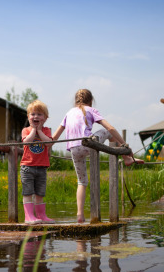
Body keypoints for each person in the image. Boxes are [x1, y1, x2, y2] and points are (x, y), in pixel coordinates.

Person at [52, 89, 144, 223]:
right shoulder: (91, 110)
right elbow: (110, 128)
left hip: (73, 149)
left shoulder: (68, 113)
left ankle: (80, 215)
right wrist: (126, 146)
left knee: (81, 182)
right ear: (90, 100)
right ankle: (126, 158)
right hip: (87, 145)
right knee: (106, 132)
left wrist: (44, 146)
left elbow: (54, 137)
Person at [21, 100, 55, 224]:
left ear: (45, 118)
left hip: (41, 167)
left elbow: (49, 143)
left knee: (40, 192)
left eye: (39, 114)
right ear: (28, 117)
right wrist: (34, 130)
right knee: (28, 191)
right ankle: (29, 216)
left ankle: (41, 215)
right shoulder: (26, 130)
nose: (36, 117)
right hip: (27, 166)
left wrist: (40, 130)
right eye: (33, 114)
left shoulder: (46, 131)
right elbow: (27, 142)